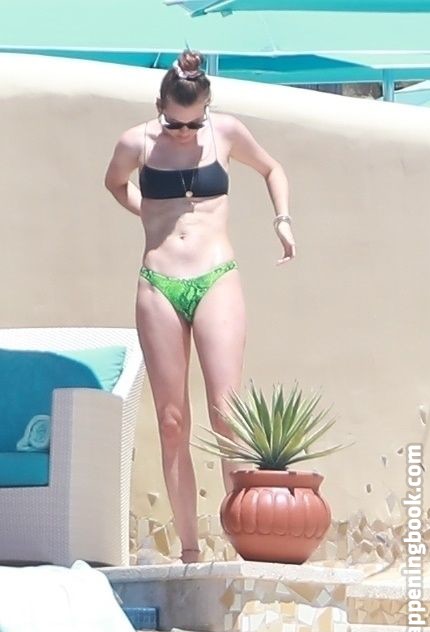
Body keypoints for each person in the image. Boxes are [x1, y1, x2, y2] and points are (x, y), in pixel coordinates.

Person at [104, 50, 295, 564]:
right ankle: (189, 550)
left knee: (226, 415)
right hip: (159, 283)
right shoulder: (136, 142)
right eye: (175, 123)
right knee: (172, 421)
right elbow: (114, 182)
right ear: (159, 107)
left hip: (216, 277)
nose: (185, 132)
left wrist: (282, 219)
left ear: (207, 109)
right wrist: (150, 213)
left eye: (194, 123)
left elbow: (272, 168)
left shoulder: (226, 132)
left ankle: (244, 544)